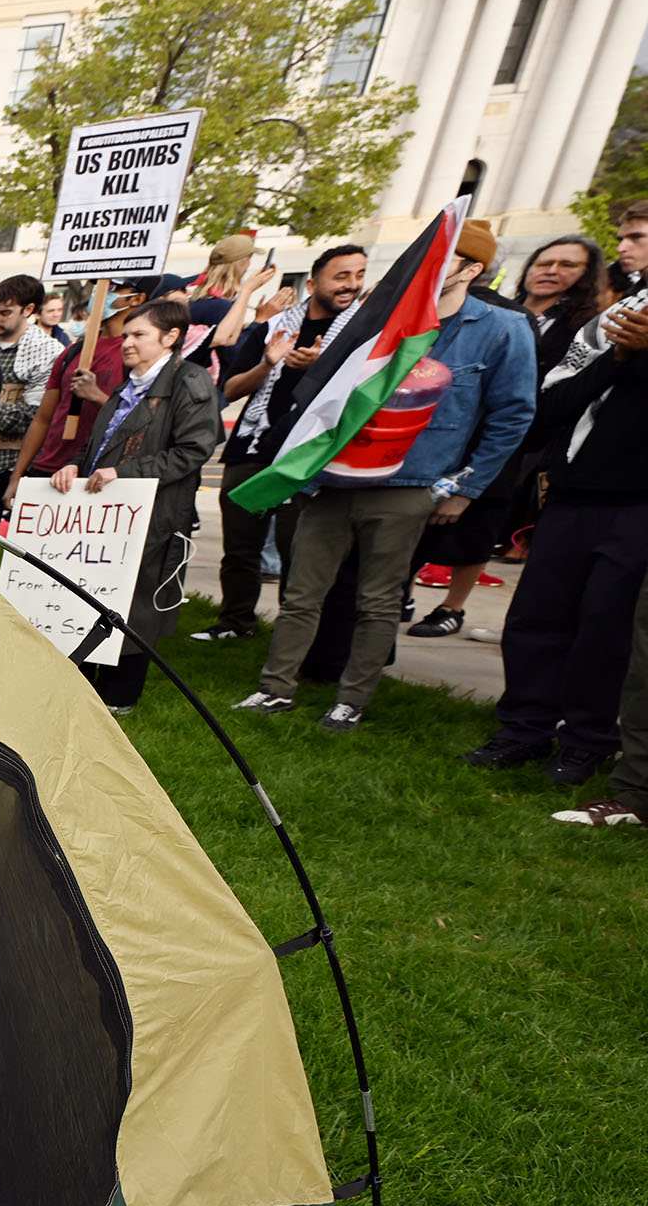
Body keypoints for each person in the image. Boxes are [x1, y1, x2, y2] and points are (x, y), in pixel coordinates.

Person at [237, 218, 538, 731]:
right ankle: (274, 688)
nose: (427, 267)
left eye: (443, 258)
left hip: (411, 483)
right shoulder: (381, 319)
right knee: (302, 592)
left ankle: (351, 698)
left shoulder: (501, 330)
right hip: (332, 478)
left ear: (473, 268)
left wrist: (463, 489)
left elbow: (512, 415)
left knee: (379, 599)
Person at [470, 289, 648, 787]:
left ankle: (587, 741)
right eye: (631, 232)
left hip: (638, 507)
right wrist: (618, 356)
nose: (632, 242)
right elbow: (547, 410)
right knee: (536, 618)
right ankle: (523, 729)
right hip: (570, 497)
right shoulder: (612, 321)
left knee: (607, 627)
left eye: (639, 232)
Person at [411, 235, 611, 636]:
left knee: (482, 519)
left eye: (567, 265)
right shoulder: (494, 308)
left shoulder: (582, 327)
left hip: (528, 436)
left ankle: (454, 606)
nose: (551, 271)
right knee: (423, 520)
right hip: (458, 423)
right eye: (544, 262)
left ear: (586, 276)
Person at [46, 298, 220, 711]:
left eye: (139, 334)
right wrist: (73, 466)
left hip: (152, 514)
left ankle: (120, 696)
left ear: (171, 337)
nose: (127, 343)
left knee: (137, 601)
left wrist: (126, 473)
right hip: (104, 514)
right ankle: (84, 686)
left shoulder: (189, 382)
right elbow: (97, 446)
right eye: (126, 334)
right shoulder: (129, 385)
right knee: (93, 593)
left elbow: (194, 450)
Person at [201, 247, 368, 640]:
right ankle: (235, 623)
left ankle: (293, 635)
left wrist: (321, 366)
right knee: (240, 547)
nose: (352, 284)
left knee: (299, 550)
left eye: (358, 275)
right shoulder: (274, 325)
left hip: (310, 453)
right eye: (341, 276)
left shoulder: (360, 332)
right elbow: (232, 387)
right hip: (254, 446)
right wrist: (267, 364)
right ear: (312, 283)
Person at [0, 276, 61, 527]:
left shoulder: (48, 352)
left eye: (5, 313)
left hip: (0, 468)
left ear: (28, 310)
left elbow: (32, 418)